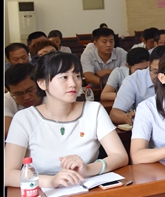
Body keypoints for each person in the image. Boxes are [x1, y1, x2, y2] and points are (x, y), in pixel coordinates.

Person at [4, 53, 128, 189]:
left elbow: (120, 156)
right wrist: (50, 181)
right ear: (42, 83)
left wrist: (87, 169)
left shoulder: (94, 110)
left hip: (87, 188)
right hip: (42, 193)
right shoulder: (24, 119)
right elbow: (8, 174)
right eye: (64, 77)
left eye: (77, 76)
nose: (73, 84)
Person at [110, 45, 165, 126]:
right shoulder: (133, 80)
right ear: (149, 65)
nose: (160, 77)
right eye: (155, 72)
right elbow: (115, 113)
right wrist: (127, 117)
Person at [5, 63, 43, 138]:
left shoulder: (54, 96)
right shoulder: (7, 99)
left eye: (30, 90)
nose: (26, 97)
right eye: (19, 94)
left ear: (40, 83)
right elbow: (7, 132)